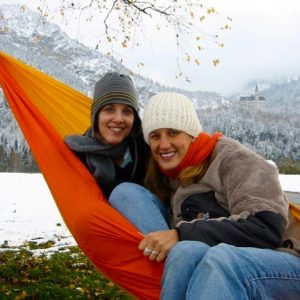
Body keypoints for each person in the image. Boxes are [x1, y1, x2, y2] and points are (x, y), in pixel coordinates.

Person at [109, 92, 300, 299]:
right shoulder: (165, 174)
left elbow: (266, 228)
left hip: (281, 260)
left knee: (220, 260)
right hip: (209, 263)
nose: (163, 145)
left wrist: (181, 234)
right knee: (128, 195)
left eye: (173, 133)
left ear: (191, 134)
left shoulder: (233, 159)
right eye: (155, 136)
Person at [64, 72, 150, 198]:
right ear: (96, 115)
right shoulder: (76, 155)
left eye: (127, 111)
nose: (119, 119)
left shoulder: (145, 147)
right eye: (109, 109)